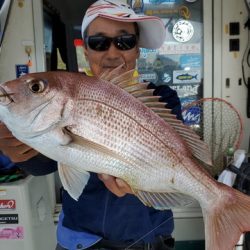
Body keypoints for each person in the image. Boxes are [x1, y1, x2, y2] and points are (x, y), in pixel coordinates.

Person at [0, 1, 183, 249]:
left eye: (125, 41)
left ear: (137, 49)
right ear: (85, 50)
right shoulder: (69, 97)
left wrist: (144, 188)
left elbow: (174, 168)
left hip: (149, 237)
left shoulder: (163, 98)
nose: (112, 53)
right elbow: (46, 162)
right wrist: (19, 150)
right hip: (81, 240)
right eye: (99, 42)